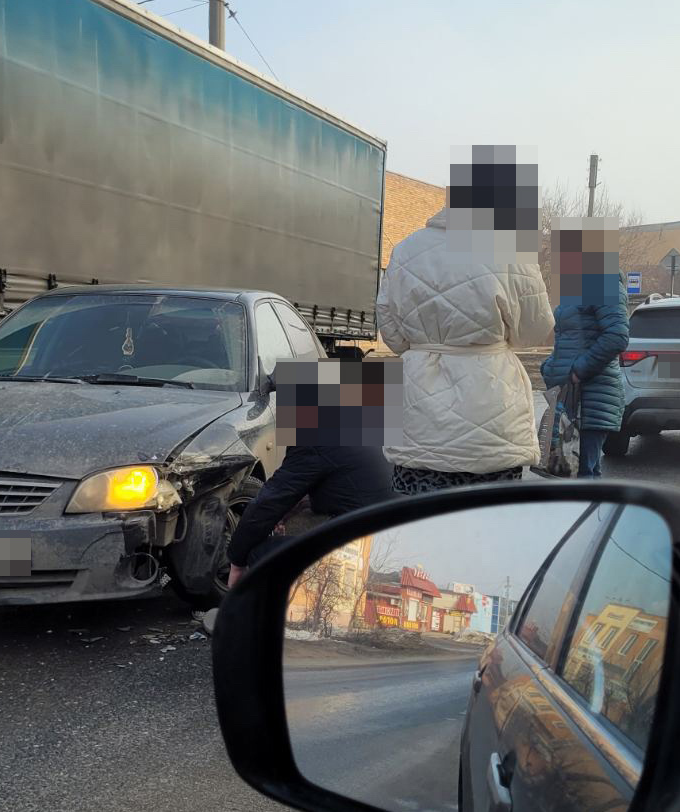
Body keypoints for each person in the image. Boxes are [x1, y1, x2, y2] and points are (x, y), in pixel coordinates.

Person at [376, 208, 555, 494]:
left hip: (418, 409)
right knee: (488, 523)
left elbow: (392, 334)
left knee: (416, 524)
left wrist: (426, 344)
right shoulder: (512, 253)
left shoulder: (405, 251)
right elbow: (535, 330)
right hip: (492, 410)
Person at [225, 444, 394, 587]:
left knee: (259, 554)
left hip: (361, 534)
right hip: (389, 527)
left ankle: (253, 619)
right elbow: (339, 481)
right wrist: (285, 512)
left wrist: (237, 562)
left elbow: (267, 503)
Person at [539, 273, 630, 478]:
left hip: (589, 397)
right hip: (571, 395)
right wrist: (549, 367)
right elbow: (571, 340)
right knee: (568, 473)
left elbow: (617, 337)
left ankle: (587, 510)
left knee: (582, 477)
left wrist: (579, 371)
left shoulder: (605, 285)